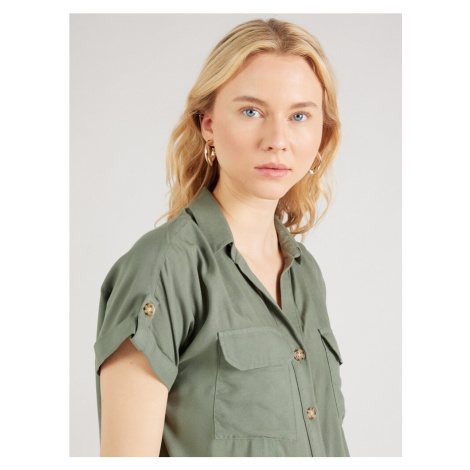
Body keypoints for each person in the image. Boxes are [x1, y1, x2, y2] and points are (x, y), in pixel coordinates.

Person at [94, 17, 349, 457]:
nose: (277, 140)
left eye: (299, 116)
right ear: (208, 124)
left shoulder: (305, 275)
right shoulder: (163, 268)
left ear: (321, 132)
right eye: (252, 111)